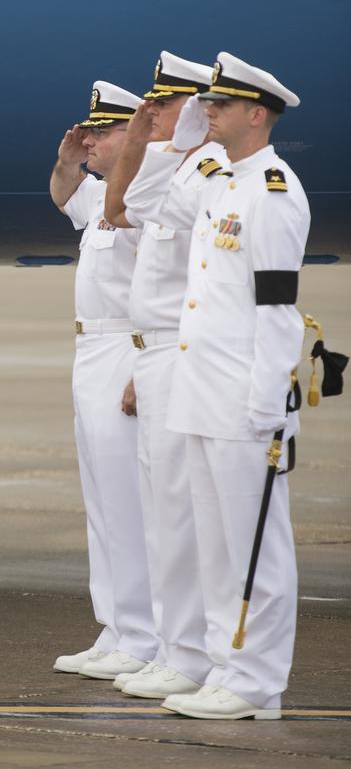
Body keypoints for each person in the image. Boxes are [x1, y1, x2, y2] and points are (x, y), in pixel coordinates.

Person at [121, 53, 307, 720]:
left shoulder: (273, 191)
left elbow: (275, 307)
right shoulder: (223, 181)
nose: (209, 112)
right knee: (216, 542)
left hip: (241, 395)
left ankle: (257, 681)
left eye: (221, 106)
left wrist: (266, 404)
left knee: (254, 544)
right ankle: (225, 669)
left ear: (256, 113)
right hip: (201, 388)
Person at [100, 53, 228, 701]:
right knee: (162, 517)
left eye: (163, 104)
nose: (149, 114)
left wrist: (156, 139)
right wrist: (141, 139)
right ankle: (174, 649)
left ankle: (190, 654)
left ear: (196, 107)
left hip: (181, 354)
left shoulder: (211, 172)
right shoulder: (175, 168)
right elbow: (118, 205)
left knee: (181, 516)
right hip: (152, 355)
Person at [49, 82, 157, 681]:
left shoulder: (144, 199)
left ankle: (143, 636)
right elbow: (66, 196)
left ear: (132, 134)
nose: (88, 139)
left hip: (125, 347)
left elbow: (164, 291)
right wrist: (68, 161)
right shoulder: (108, 194)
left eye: (100, 132)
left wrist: (145, 368)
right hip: (91, 348)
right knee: (101, 502)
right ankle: (115, 627)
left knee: (127, 501)